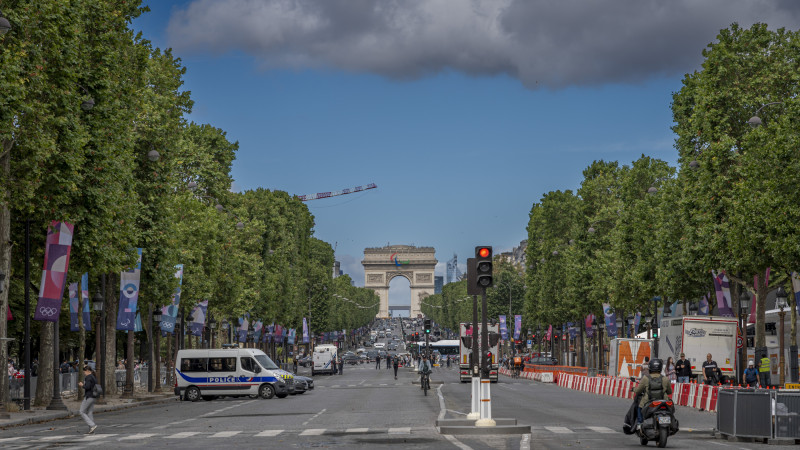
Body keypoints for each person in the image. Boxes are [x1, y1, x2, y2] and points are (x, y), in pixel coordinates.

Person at [633, 359, 672, 429]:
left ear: (650, 368)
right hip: (663, 401)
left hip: (648, 401)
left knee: (639, 407)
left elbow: (638, 390)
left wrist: (634, 389)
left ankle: (639, 423)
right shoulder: (665, 379)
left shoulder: (645, 378)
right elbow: (670, 392)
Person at [77, 365, 98, 434]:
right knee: (89, 412)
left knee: (82, 411)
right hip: (94, 396)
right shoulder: (94, 377)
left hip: (88, 396)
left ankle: (92, 425)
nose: (84, 373)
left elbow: (87, 387)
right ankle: (91, 429)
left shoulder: (88, 377)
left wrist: (82, 385)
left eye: (84, 372)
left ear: (87, 371)